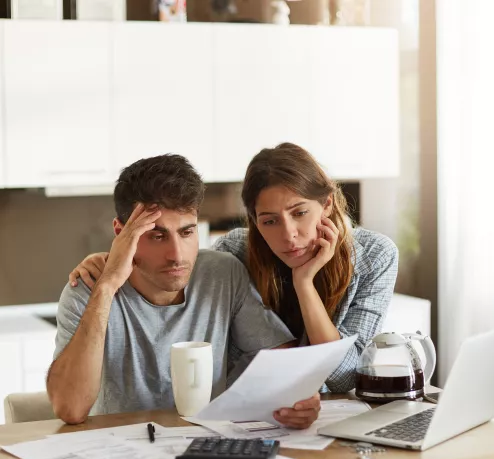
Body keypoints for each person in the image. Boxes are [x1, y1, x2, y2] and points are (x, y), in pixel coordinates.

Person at [69, 143, 398, 393]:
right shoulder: (237, 251)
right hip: (255, 412)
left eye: (299, 213)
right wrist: (110, 261)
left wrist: (304, 284)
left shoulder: (375, 257)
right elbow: (174, 266)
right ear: (255, 221)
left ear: (325, 203)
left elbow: (343, 378)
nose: (288, 236)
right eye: (269, 221)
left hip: (324, 413)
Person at [47, 154, 321, 427]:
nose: (177, 255)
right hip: (119, 450)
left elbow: (284, 364)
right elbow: (70, 409)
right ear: (121, 232)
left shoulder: (222, 274)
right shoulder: (88, 290)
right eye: (157, 235)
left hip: (207, 447)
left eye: (187, 232)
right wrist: (106, 287)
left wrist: (299, 399)